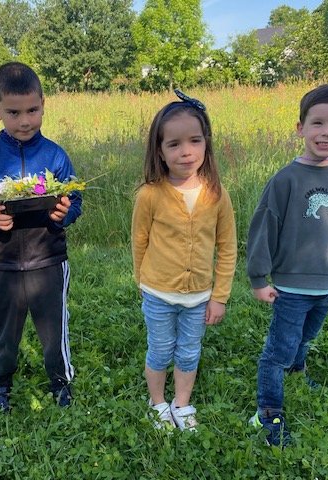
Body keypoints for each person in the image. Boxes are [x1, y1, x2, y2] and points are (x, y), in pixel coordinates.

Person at [246, 84, 328, 447]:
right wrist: (258, 278)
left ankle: (297, 371)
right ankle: (267, 413)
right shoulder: (285, 180)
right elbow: (263, 228)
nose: (327, 132)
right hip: (291, 287)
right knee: (277, 352)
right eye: (317, 123)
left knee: (307, 336)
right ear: (300, 128)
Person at [0, 62, 82, 412]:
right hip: (3, 261)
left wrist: (64, 213)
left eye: (32, 110)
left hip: (49, 259)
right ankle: (2, 384)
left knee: (53, 329)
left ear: (43, 104)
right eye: (14, 113)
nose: (25, 121)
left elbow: (75, 199)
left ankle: (60, 383)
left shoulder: (55, 155)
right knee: (5, 329)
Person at [131, 90, 237, 430]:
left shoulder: (217, 194)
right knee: (160, 350)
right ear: (159, 152)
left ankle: (181, 403)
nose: (186, 151)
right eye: (174, 144)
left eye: (195, 140)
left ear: (206, 143)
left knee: (189, 351)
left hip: (199, 296)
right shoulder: (149, 194)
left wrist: (219, 296)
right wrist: (141, 281)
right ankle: (158, 402)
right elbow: (139, 241)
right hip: (158, 292)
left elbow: (227, 246)